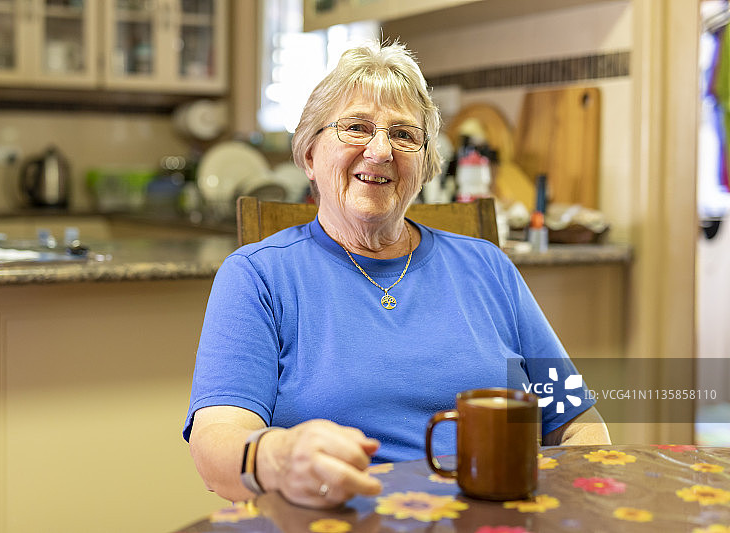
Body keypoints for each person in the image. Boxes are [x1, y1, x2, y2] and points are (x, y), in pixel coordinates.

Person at [183, 40, 610, 509]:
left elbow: (577, 421)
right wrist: (278, 457)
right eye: (356, 128)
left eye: (405, 135)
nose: (381, 151)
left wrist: (569, 505)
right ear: (308, 155)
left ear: (425, 166)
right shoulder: (258, 277)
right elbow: (216, 443)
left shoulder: (489, 267)